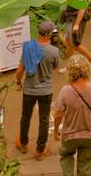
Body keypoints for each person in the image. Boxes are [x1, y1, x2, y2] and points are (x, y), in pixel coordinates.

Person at [15, 20, 61, 160]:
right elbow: (55, 67)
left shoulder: (29, 47)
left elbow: (20, 69)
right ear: (48, 34)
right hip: (46, 91)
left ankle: (23, 144)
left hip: (29, 90)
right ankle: (40, 150)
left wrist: (18, 82)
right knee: (44, 120)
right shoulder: (54, 51)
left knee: (25, 117)